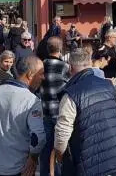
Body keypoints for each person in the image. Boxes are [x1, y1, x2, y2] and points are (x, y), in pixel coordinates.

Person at [53, 49, 116, 176]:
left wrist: (60, 155)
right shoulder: (108, 86)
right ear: (89, 63)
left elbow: (62, 131)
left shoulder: (71, 94)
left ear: (70, 67)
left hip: (87, 160)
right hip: (114, 155)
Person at [0, 56, 46, 176]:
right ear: (30, 74)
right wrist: (33, 159)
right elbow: (38, 137)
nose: (43, 77)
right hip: (19, 169)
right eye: (41, 73)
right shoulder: (32, 101)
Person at [40, 37, 69, 176]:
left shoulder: (41, 64)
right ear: (60, 49)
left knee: (46, 149)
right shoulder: (64, 66)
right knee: (60, 149)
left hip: (45, 111)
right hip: (60, 112)